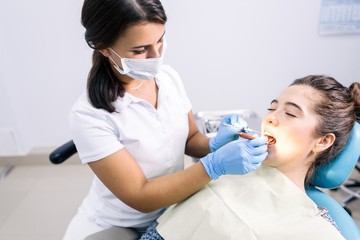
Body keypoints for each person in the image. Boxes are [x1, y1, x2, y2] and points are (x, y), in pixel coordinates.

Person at [63, 0, 268, 239]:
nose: (156, 56)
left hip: (175, 208)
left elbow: (191, 138)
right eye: (140, 50)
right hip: (121, 223)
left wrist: (214, 143)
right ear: (103, 47)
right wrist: (214, 165)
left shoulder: (167, 78)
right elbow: (140, 196)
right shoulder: (88, 115)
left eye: (160, 40)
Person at [139, 75, 360, 240]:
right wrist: (213, 157)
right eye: (272, 108)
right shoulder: (225, 168)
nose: (271, 118)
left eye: (290, 113)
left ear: (322, 141)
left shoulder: (321, 229)